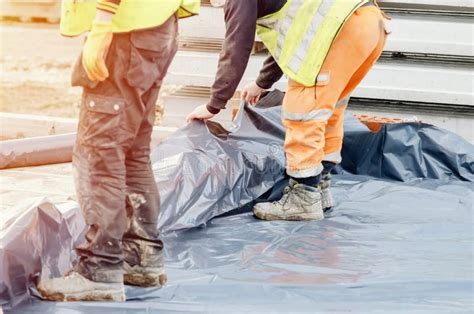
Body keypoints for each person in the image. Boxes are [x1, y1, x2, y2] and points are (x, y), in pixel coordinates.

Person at [38, 0, 200, 302]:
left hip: (126, 30)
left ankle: (99, 269)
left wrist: (102, 22)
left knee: (99, 152)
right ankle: (140, 257)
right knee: (132, 151)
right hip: (156, 27)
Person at [186, 0, 389, 221]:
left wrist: (214, 105)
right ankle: (319, 189)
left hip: (340, 29)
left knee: (302, 109)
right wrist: (262, 83)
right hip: (368, 23)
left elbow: (237, 45)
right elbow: (295, 41)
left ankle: (303, 199)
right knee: (327, 109)